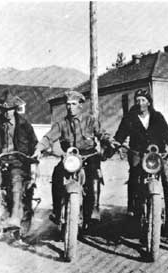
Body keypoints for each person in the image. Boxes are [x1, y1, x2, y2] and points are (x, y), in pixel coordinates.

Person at [33, 90, 110, 227]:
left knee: (94, 176)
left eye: (73, 104)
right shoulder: (61, 123)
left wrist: (109, 142)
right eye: (68, 104)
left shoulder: (90, 120)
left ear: (80, 105)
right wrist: (39, 148)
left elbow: (101, 133)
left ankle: (92, 211)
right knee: (57, 174)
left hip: (88, 155)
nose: (70, 107)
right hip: (70, 157)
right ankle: (57, 211)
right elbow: (49, 137)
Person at [113, 89, 168, 221]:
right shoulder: (129, 117)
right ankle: (131, 207)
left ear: (149, 103)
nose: (140, 103)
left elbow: (167, 134)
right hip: (138, 153)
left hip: (157, 153)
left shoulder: (157, 117)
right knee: (134, 175)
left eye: (143, 100)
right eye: (138, 100)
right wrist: (112, 148)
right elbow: (120, 135)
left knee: (166, 174)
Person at [0, 90, 38, 228]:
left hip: (19, 163)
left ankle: (14, 217)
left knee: (15, 178)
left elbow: (34, 145)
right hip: (0, 161)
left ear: (15, 109)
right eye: (4, 110)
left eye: (10, 109)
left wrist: (35, 155)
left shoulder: (25, 126)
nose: (7, 113)